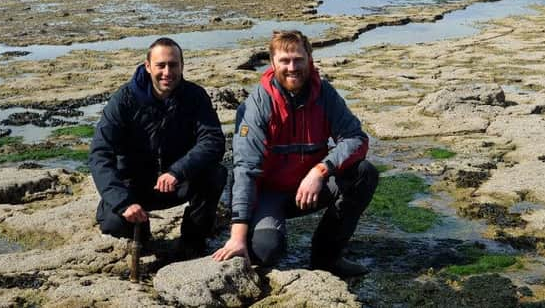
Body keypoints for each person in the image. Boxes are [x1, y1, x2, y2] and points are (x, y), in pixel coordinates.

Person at [212, 30, 379, 277]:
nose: (292, 67)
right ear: (272, 63)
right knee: (266, 252)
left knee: (364, 173)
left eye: (298, 59)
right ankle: (251, 235)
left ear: (309, 59)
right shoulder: (257, 105)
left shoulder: (325, 94)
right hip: (268, 193)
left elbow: (356, 138)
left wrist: (321, 170)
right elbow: (245, 170)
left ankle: (326, 258)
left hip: (310, 187)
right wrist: (237, 236)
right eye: (285, 61)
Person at [89, 37, 226, 259]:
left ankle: (192, 241)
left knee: (216, 174)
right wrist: (123, 202)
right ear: (148, 66)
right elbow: (99, 154)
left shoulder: (195, 96)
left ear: (182, 66)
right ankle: (140, 229)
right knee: (114, 224)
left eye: (173, 65)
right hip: (134, 186)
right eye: (160, 65)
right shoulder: (124, 101)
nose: (167, 72)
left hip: (176, 182)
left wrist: (178, 171)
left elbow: (213, 141)